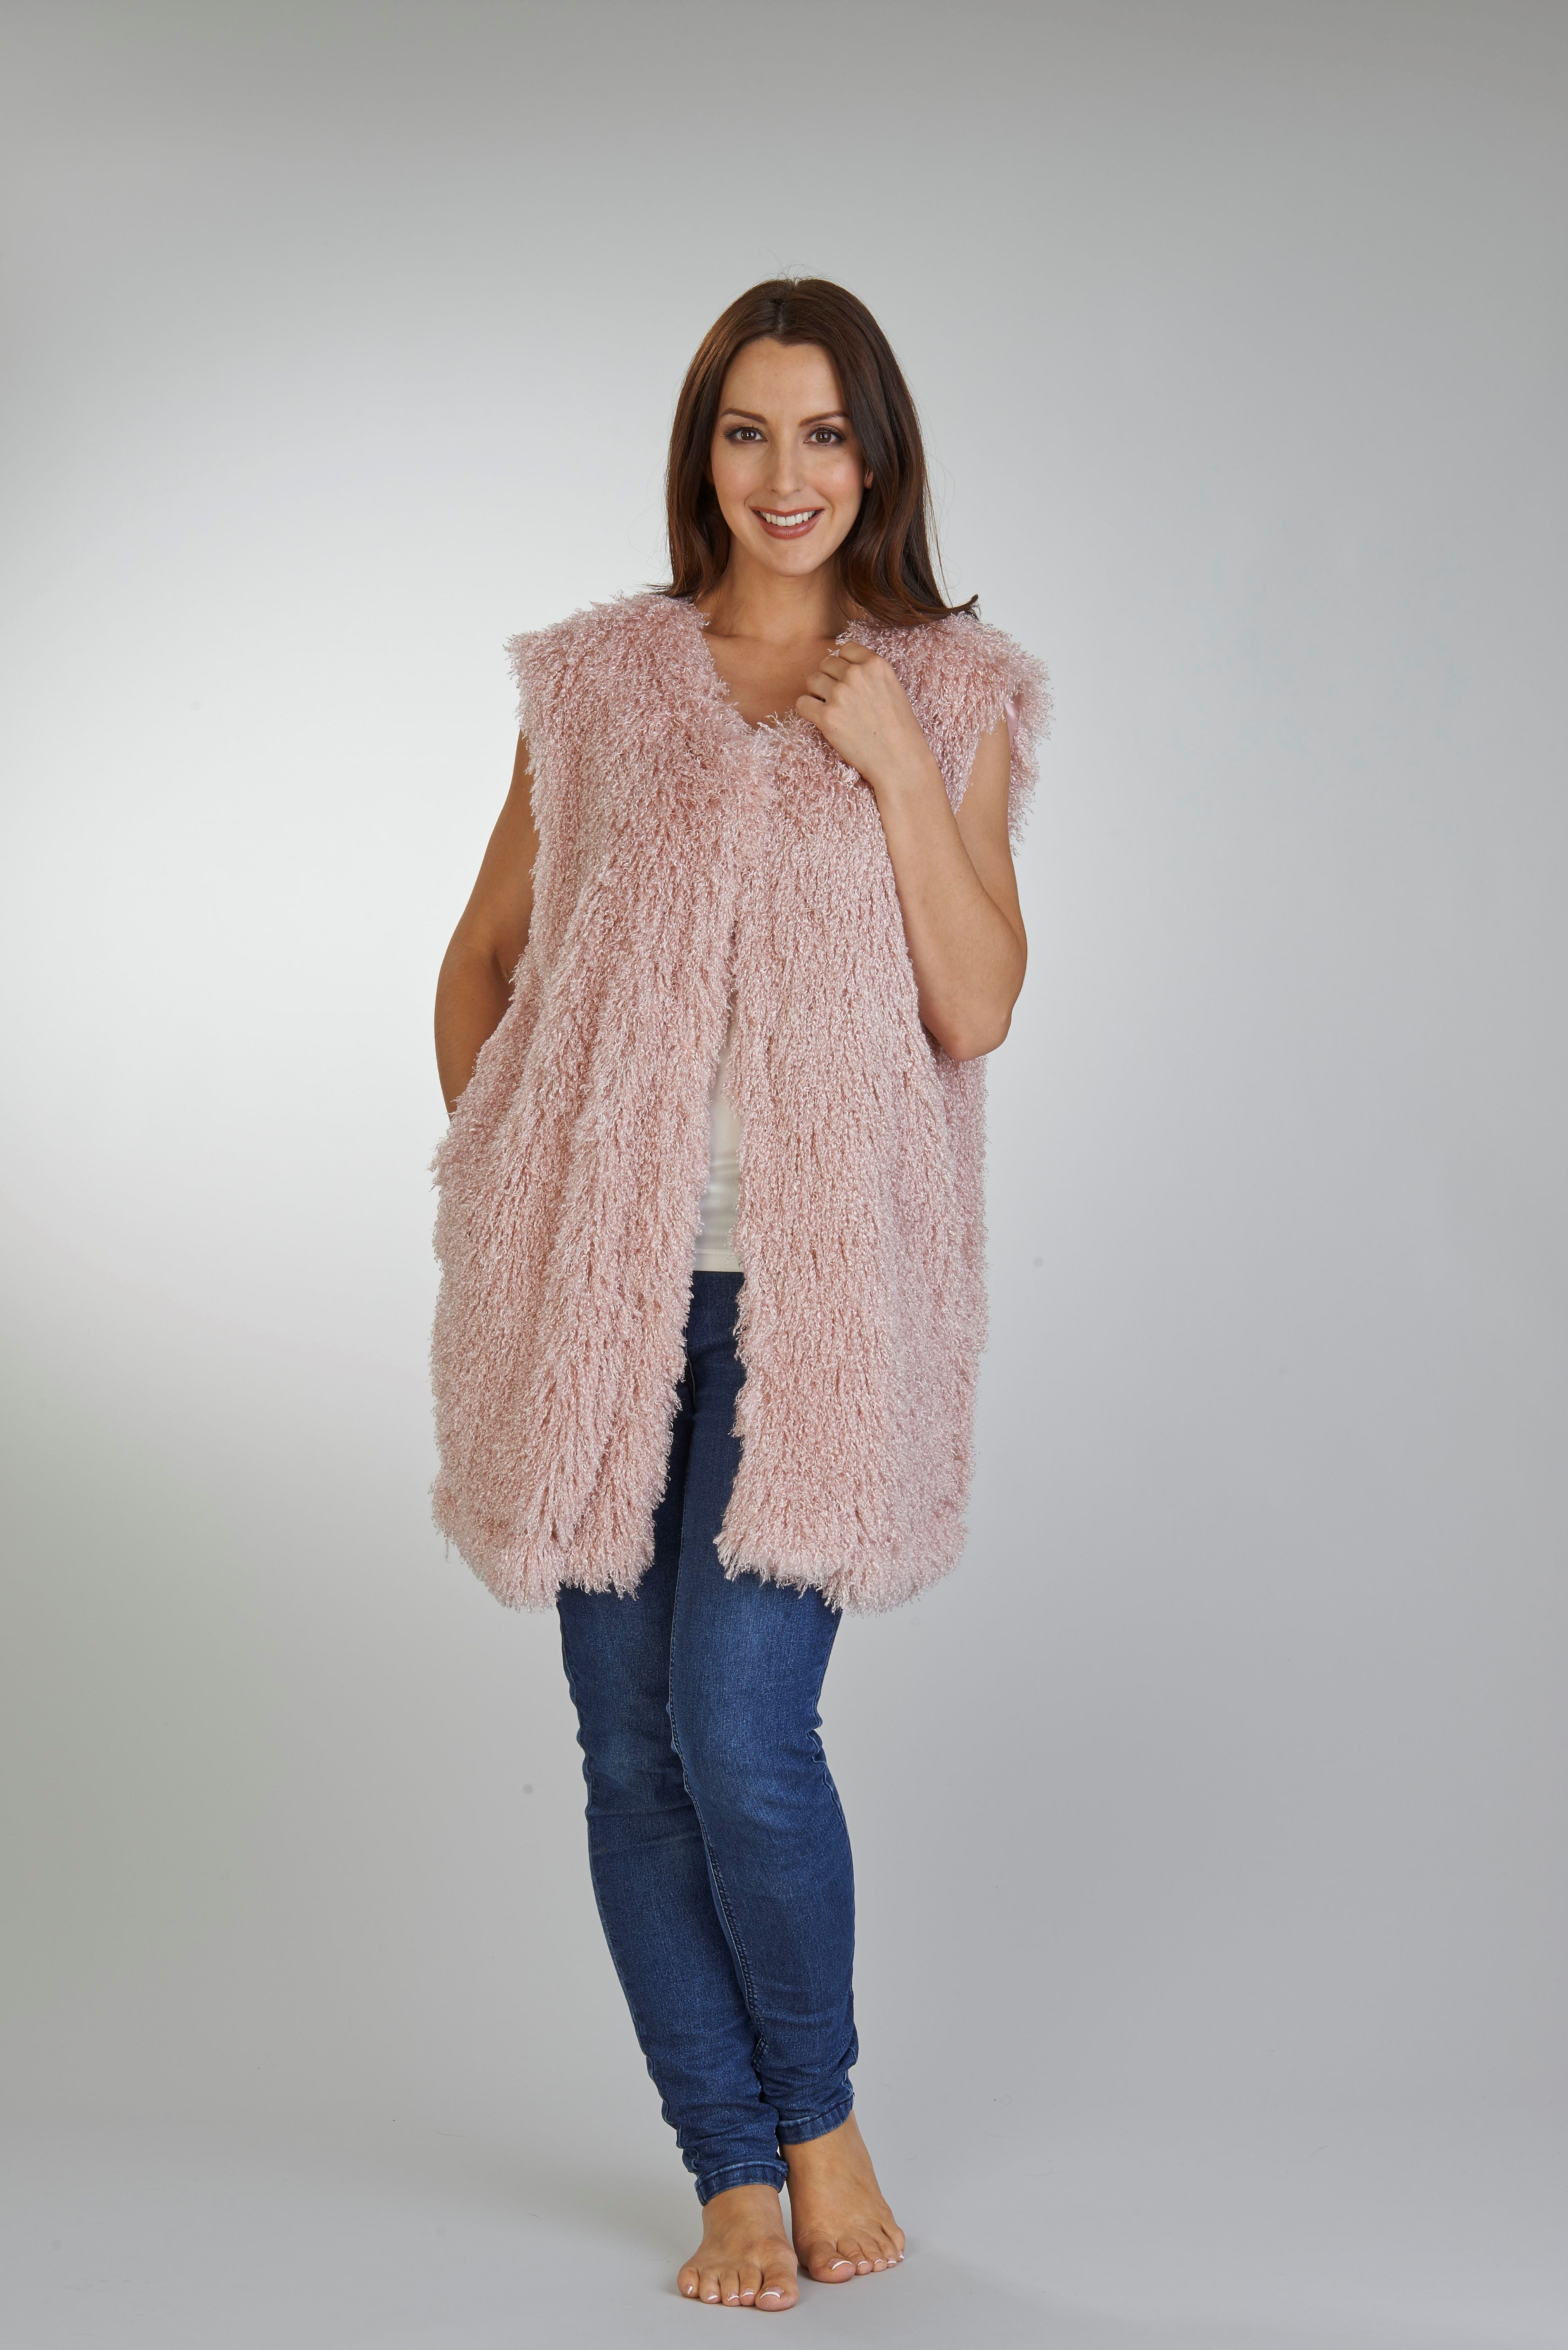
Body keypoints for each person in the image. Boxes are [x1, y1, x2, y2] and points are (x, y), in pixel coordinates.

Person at [430, 278, 1048, 2311]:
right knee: (627, 1753)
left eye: (823, 434)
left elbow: (977, 1002)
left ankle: (821, 2120)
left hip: (817, 1319)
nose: (786, 475)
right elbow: (483, 960)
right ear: (702, 451)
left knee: (738, 1726)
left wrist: (893, 770)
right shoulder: (604, 683)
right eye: (747, 431)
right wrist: (518, 1188)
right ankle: (727, 2167)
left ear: (877, 458)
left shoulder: (948, 689)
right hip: (604, 1313)